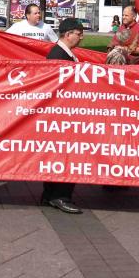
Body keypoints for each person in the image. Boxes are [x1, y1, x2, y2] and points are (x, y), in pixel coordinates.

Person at [42, 18, 85, 214]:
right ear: (68, 35)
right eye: (79, 33)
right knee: (66, 155)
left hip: (66, 115)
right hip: (63, 117)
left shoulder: (63, 53)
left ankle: (50, 194)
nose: (82, 37)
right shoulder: (58, 55)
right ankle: (60, 195)